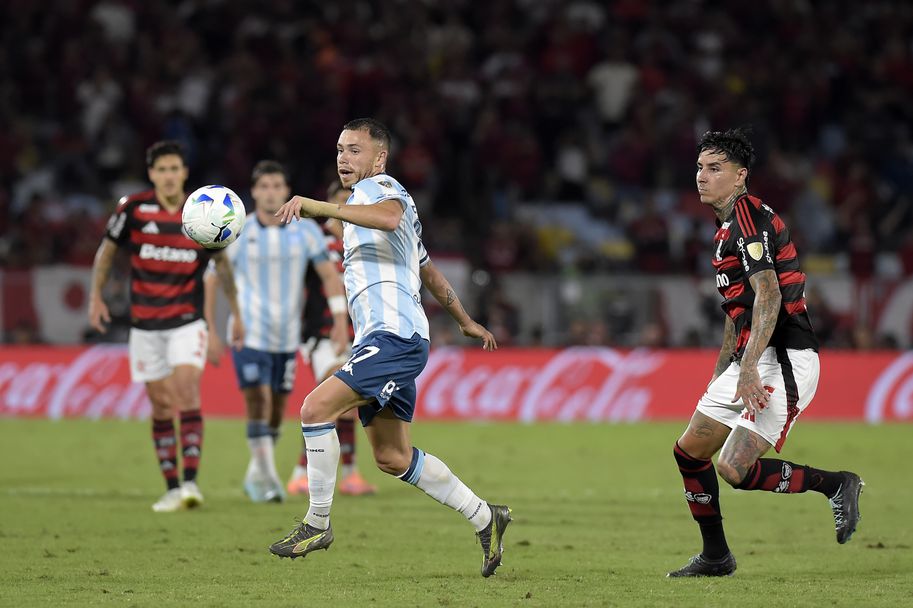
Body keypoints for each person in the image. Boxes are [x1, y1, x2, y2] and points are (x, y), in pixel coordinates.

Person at [268, 118, 512, 577]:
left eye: (354, 150)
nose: (343, 158)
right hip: (395, 339)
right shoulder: (371, 207)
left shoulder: (379, 189)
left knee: (315, 409)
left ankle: (317, 523)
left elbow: (389, 216)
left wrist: (319, 206)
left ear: (379, 158)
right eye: (339, 150)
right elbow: (429, 271)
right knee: (393, 457)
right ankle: (486, 516)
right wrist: (464, 321)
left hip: (393, 338)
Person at [668, 128, 864, 577]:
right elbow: (737, 310)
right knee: (690, 452)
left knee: (733, 468)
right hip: (752, 356)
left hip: (786, 356)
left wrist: (749, 367)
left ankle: (837, 485)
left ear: (740, 176)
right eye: (699, 167)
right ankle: (715, 557)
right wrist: (724, 369)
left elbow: (769, 294)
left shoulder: (748, 219)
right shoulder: (726, 228)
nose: (702, 176)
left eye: (715, 168)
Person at [89, 140, 244, 512]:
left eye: (175, 169)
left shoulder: (202, 214)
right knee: (160, 406)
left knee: (187, 390)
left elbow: (222, 266)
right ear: (152, 174)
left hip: (186, 322)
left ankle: (191, 483)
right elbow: (107, 251)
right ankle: (172, 487)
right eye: (162, 170)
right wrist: (96, 297)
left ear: (184, 172)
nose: (169, 176)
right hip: (145, 325)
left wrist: (236, 312)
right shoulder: (134, 210)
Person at [204, 160, 349, 503]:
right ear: (254, 192)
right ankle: (269, 482)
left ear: (286, 191)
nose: (270, 193)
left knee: (275, 412)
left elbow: (330, 276)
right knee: (259, 400)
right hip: (248, 333)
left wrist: (340, 321)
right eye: (264, 187)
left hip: (286, 338)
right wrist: (212, 329)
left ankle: (256, 473)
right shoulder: (237, 230)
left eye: (277, 186)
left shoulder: (306, 231)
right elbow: (213, 278)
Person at [288, 180, 377, 497]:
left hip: (359, 335)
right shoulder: (317, 240)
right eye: (342, 200)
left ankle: (350, 474)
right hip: (323, 334)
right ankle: (302, 472)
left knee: (348, 403)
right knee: (329, 400)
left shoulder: (360, 242)